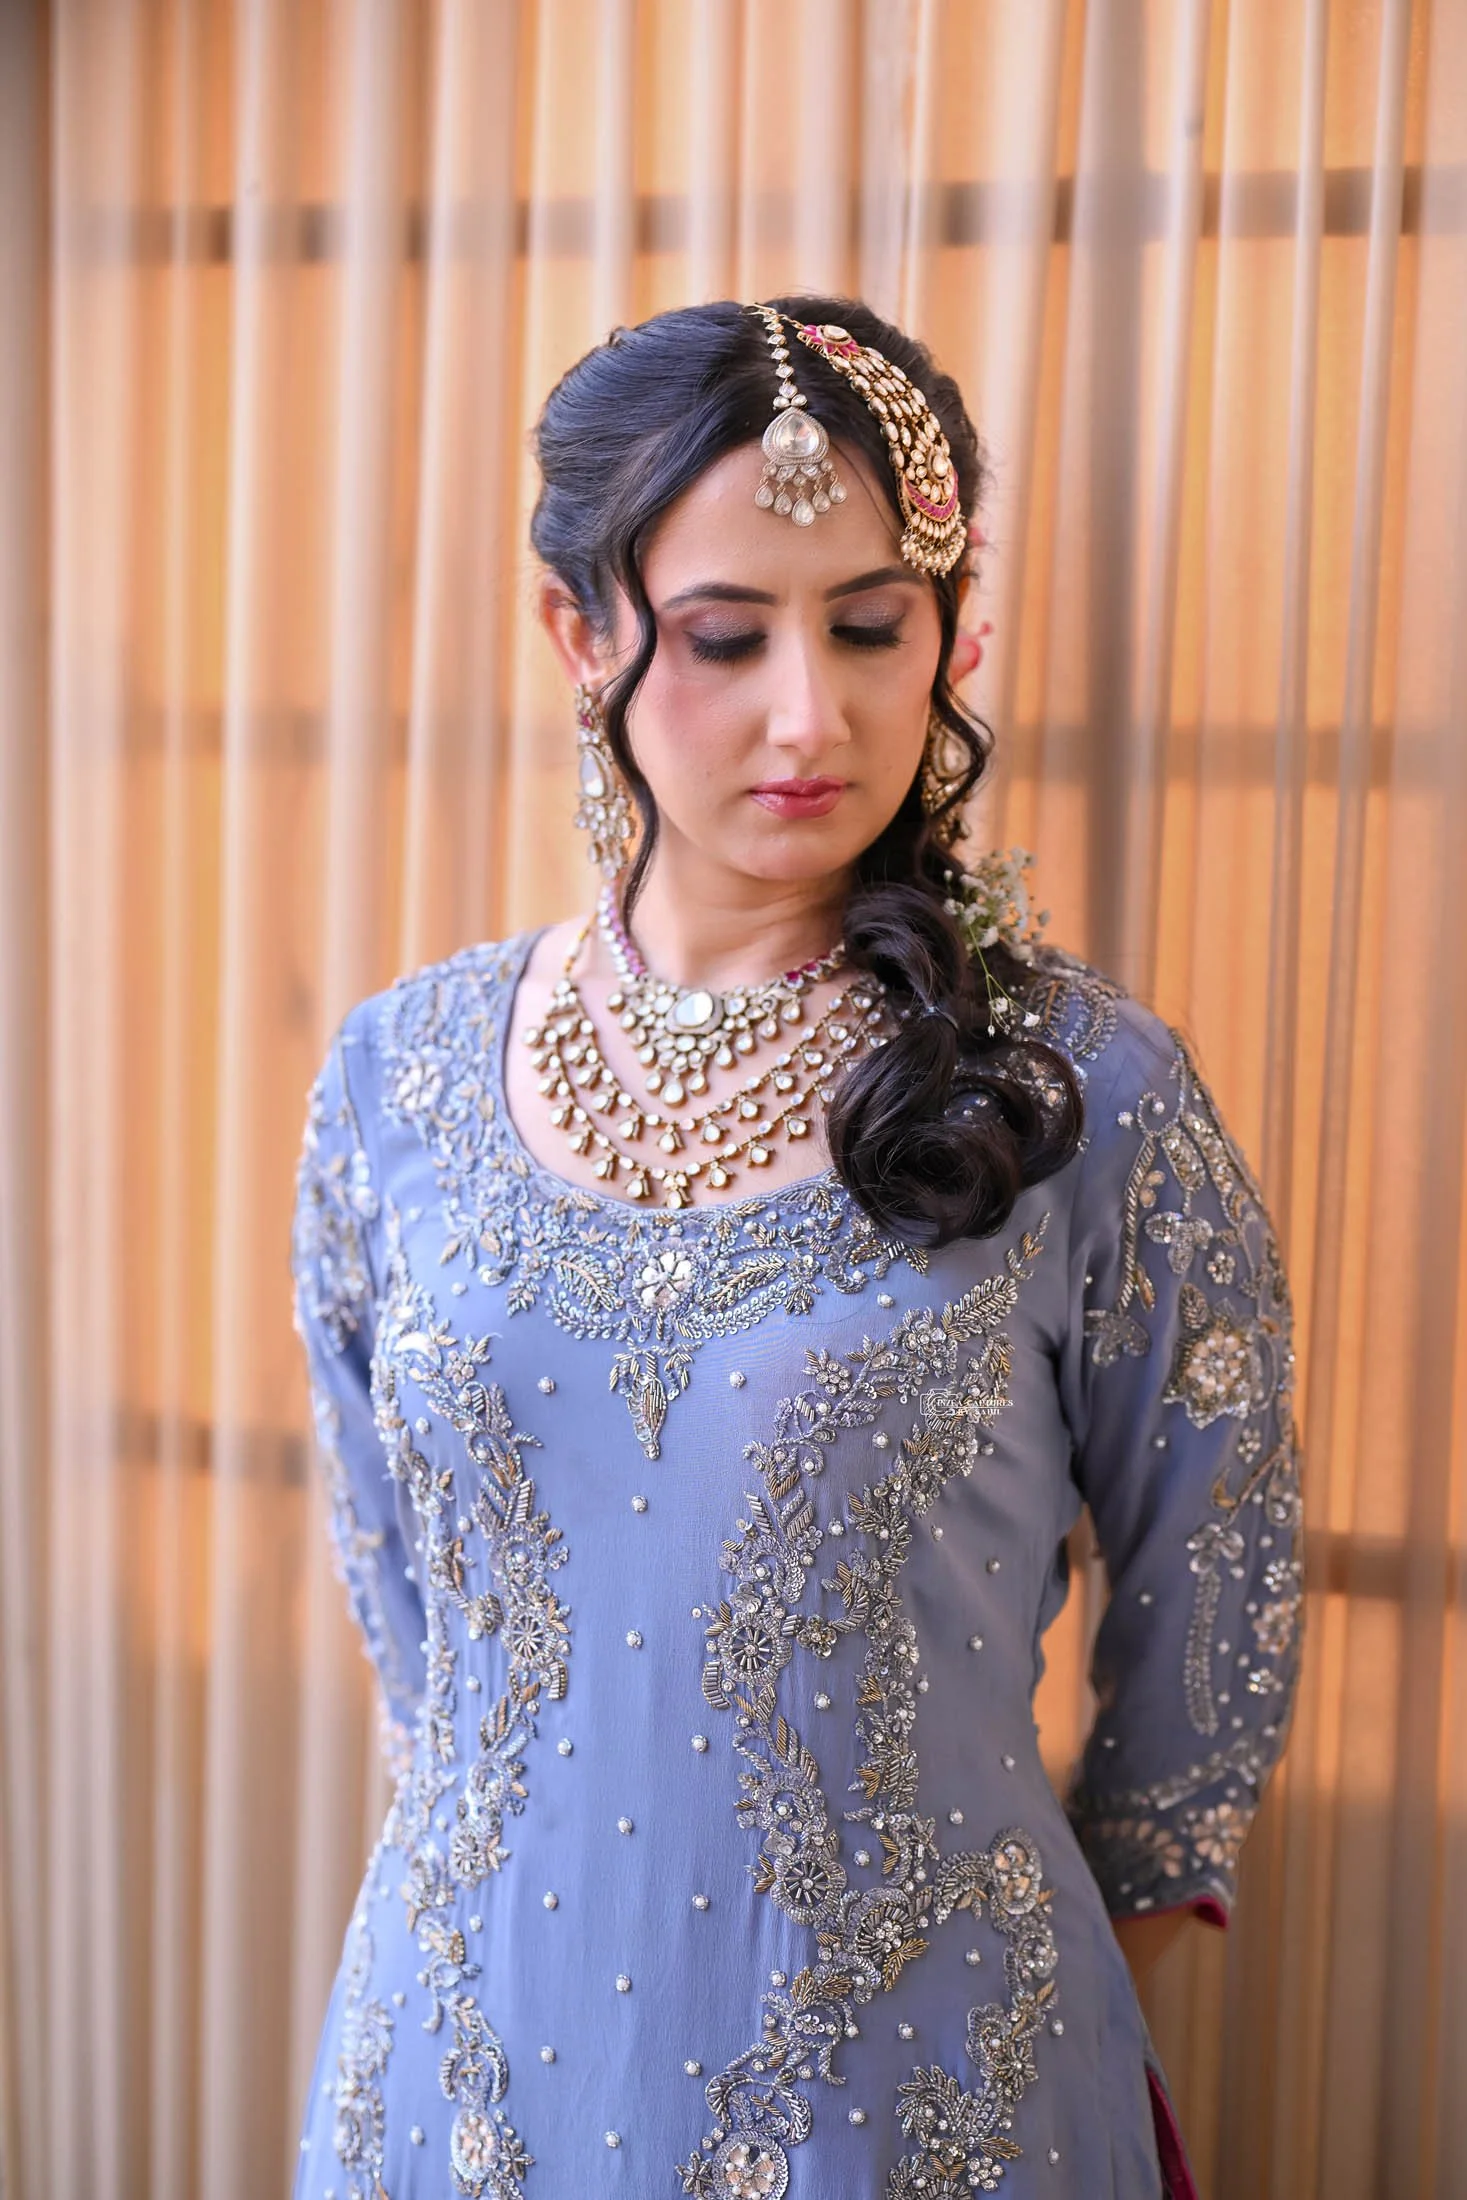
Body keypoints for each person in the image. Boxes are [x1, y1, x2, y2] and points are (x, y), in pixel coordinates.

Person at [289, 297, 1302, 2200]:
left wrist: (1034, 2023)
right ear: (578, 635)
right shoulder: (396, 1084)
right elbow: (419, 1638)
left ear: (950, 628)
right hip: (465, 2063)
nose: (808, 717)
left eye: (867, 626)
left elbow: (1205, 1623)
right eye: (723, 639)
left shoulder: (1075, 1095)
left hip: (921, 2096)